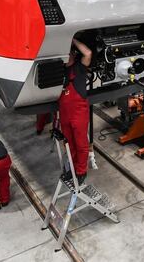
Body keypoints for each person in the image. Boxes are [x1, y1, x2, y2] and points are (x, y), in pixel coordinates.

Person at [59, 38, 93, 184]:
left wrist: (72, 39)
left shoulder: (79, 68)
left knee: (81, 143)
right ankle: (72, 170)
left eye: (68, 54)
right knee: (69, 144)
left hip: (78, 111)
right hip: (64, 112)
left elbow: (88, 53)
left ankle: (81, 172)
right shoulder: (61, 71)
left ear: (73, 54)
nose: (65, 58)